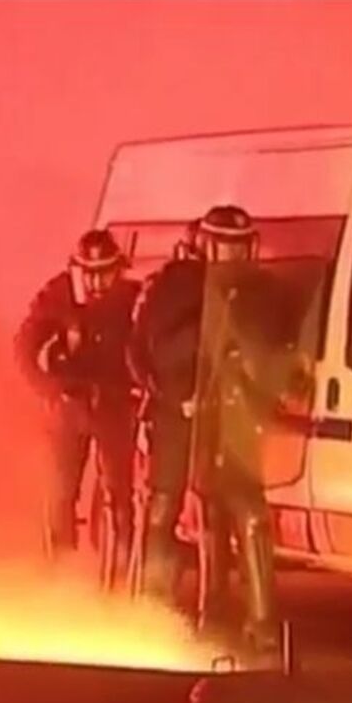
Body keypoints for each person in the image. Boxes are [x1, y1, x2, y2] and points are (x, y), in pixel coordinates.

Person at [188, 204, 302, 654]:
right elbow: (163, 349)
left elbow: (280, 351)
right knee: (211, 521)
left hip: (243, 423)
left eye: (239, 246)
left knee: (250, 517)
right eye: (224, 245)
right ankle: (213, 612)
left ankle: (262, 621)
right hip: (203, 425)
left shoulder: (265, 293)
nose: (232, 255)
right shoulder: (189, 290)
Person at [14, 230, 140, 579]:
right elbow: (24, 346)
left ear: (118, 269)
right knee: (62, 492)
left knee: (119, 495)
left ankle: (121, 576)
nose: (97, 282)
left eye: (105, 273)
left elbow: (148, 347)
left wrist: (140, 390)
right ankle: (62, 575)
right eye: (90, 273)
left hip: (115, 406)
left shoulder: (132, 299)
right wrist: (49, 389)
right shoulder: (58, 295)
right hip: (69, 408)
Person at [129, 221, 205, 606]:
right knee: (164, 505)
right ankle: (155, 595)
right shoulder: (164, 290)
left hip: (213, 413)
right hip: (173, 416)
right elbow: (138, 354)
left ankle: (201, 596)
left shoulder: (237, 290)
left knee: (213, 511)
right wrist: (171, 396)